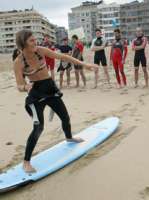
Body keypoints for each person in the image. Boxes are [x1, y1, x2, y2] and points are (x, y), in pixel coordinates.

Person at [13, 30, 98, 173]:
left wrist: (84, 64)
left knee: (65, 117)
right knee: (38, 128)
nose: (36, 42)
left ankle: (69, 138)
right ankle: (26, 161)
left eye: (35, 39)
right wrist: (25, 87)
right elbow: (19, 85)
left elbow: (63, 56)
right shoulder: (18, 62)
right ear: (23, 44)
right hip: (35, 95)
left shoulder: (40, 50)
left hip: (50, 89)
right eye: (31, 41)